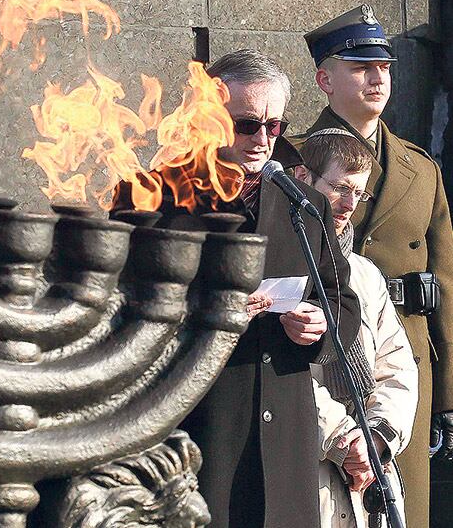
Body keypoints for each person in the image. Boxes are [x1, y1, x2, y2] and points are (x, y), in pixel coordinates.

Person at [115, 49, 361, 527]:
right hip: (197, 429)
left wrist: (318, 323)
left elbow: (341, 299)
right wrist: (216, 310)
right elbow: (121, 300)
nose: (263, 139)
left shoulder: (304, 202)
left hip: (284, 435)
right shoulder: (153, 194)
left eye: (275, 126)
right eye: (248, 124)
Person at [295, 4, 453, 528]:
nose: (377, 77)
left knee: (398, 508)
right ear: (324, 78)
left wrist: (448, 394)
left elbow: (445, 279)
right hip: (318, 362)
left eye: (384, 66)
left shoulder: (420, 167)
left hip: (400, 366)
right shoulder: (291, 160)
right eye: (360, 66)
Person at [294, 129, 418, 527]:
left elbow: (397, 364)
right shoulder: (277, 263)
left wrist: (376, 437)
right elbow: (280, 373)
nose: (350, 204)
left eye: (359, 194)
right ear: (303, 179)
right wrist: (345, 439)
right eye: (340, 188)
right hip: (308, 464)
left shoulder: (364, 274)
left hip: (371, 470)